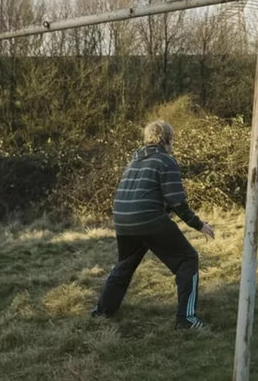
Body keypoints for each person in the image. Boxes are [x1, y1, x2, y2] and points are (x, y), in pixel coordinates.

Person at [92, 120, 215, 329]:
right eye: (172, 139)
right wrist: (198, 224)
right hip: (148, 220)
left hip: (123, 221)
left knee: (124, 266)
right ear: (166, 139)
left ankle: (102, 312)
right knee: (188, 259)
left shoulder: (134, 161)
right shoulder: (165, 161)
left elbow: (148, 194)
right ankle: (186, 319)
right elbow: (176, 200)